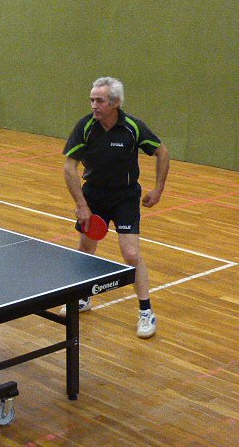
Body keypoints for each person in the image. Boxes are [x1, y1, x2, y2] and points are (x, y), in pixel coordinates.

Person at [61, 77, 169, 338]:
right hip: (94, 196)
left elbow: (162, 152)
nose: (94, 105)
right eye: (92, 100)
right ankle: (83, 296)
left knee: (131, 254)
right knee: (86, 248)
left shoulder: (132, 127)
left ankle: (146, 311)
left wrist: (158, 189)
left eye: (99, 101)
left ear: (116, 103)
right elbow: (69, 167)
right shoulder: (86, 126)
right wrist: (81, 205)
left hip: (125, 197)